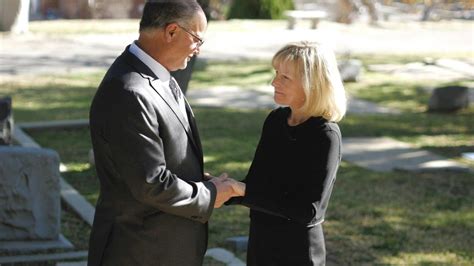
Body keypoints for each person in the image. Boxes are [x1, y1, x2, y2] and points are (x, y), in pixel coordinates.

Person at [87, 1, 236, 265]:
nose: (198, 51)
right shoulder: (129, 91)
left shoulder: (156, 75)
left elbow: (150, 159)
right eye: (197, 40)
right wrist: (210, 195)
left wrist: (200, 180)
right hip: (139, 251)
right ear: (171, 32)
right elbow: (150, 182)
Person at [226, 41, 347, 266]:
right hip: (261, 244)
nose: (274, 82)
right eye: (276, 74)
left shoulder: (326, 135)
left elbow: (309, 210)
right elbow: (255, 185)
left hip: (297, 252)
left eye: (285, 78)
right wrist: (220, 188)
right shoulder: (275, 121)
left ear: (312, 84)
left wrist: (242, 190)